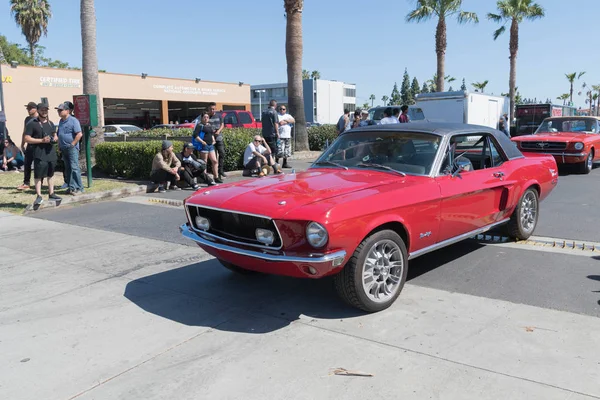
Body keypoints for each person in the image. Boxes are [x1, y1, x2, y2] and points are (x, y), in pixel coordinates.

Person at [23, 103, 62, 206]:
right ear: (38, 110)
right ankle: (39, 196)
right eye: (42, 110)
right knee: (38, 175)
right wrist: (41, 140)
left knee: (51, 174)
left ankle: (51, 193)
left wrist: (54, 139)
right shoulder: (32, 123)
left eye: (46, 110)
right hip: (39, 153)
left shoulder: (51, 123)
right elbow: (27, 138)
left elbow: (55, 135)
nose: (44, 112)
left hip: (51, 152)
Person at [56, 102, 84, 195]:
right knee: (67, 168)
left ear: (67, 111)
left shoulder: (73, 120)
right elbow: (60, 134)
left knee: (74, 167)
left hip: (72, 148)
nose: (59, 112)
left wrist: (72, 144)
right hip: (64, 148)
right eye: (58, 110)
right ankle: (71, 187)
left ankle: (78, 187)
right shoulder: (61, 121)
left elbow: (79, 134)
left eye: (61, 110)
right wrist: (59, 146)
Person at [192, 112, 222, 183]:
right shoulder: (200, 125)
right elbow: (195, 135)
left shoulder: (209, 125)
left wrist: (213, 140)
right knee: (204, 162)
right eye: (204, 117)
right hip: (204, 145)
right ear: (202, 118)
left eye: (207, 117)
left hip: (210, 145)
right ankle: (205, 178)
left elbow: (211, 134)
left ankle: (216, 177)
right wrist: (202, 142)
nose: (206, 119)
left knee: (214, 161)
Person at [17, 102, 39, 190]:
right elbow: (24, 132)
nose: (28, 110)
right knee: (27, 164)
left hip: (38, 145)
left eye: (30, 108)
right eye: (27, 108)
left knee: (38, 165)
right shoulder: (27, 119)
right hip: (29, 145)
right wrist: (22, 144)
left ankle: (39, 183)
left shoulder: (39, 118)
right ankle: (26, 183)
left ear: (35, 109)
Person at [207, 102, 227, 180]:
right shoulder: (207, 117)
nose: (213, 110)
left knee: (222, 153)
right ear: (208, 109)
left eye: (214, 109)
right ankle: (215, 174)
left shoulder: (219, 115)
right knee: (213, 157)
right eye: (211, 109)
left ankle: (220, 170)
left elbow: (222, 124)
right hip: (211, 139)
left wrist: (218, 131)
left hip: (219, 138)